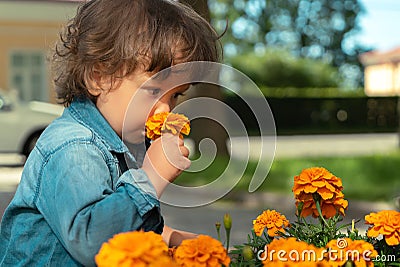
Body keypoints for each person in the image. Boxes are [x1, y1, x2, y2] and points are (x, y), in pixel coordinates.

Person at [0, 0, 221, 266]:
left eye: (175, 96)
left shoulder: (125, 143)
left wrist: (174, 240)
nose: (164, 111)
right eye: (152, 91)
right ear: (98, 77)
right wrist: (152, 176)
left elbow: (125, 226)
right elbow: (95, 242)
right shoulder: (73, 148)